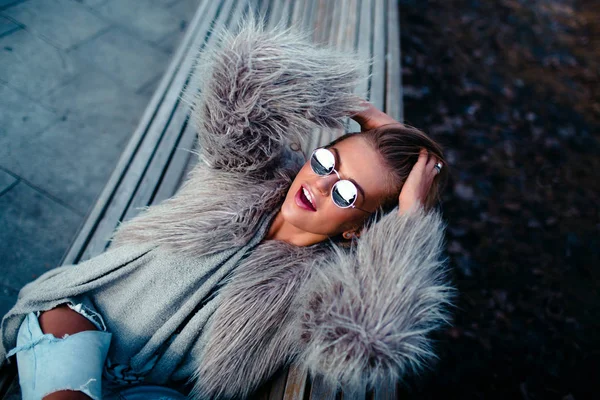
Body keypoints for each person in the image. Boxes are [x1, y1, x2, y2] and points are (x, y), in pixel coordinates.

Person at [0, 19, 453, 400]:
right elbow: (243, 82)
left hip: (153, 392)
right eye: (327, 161)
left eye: (346, 193)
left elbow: (366, 342)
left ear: (358, 229)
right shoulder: (250, 171)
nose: (320, 182)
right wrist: (358, 110)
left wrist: (411, 221)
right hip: (83, 316)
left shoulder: (326, 283)